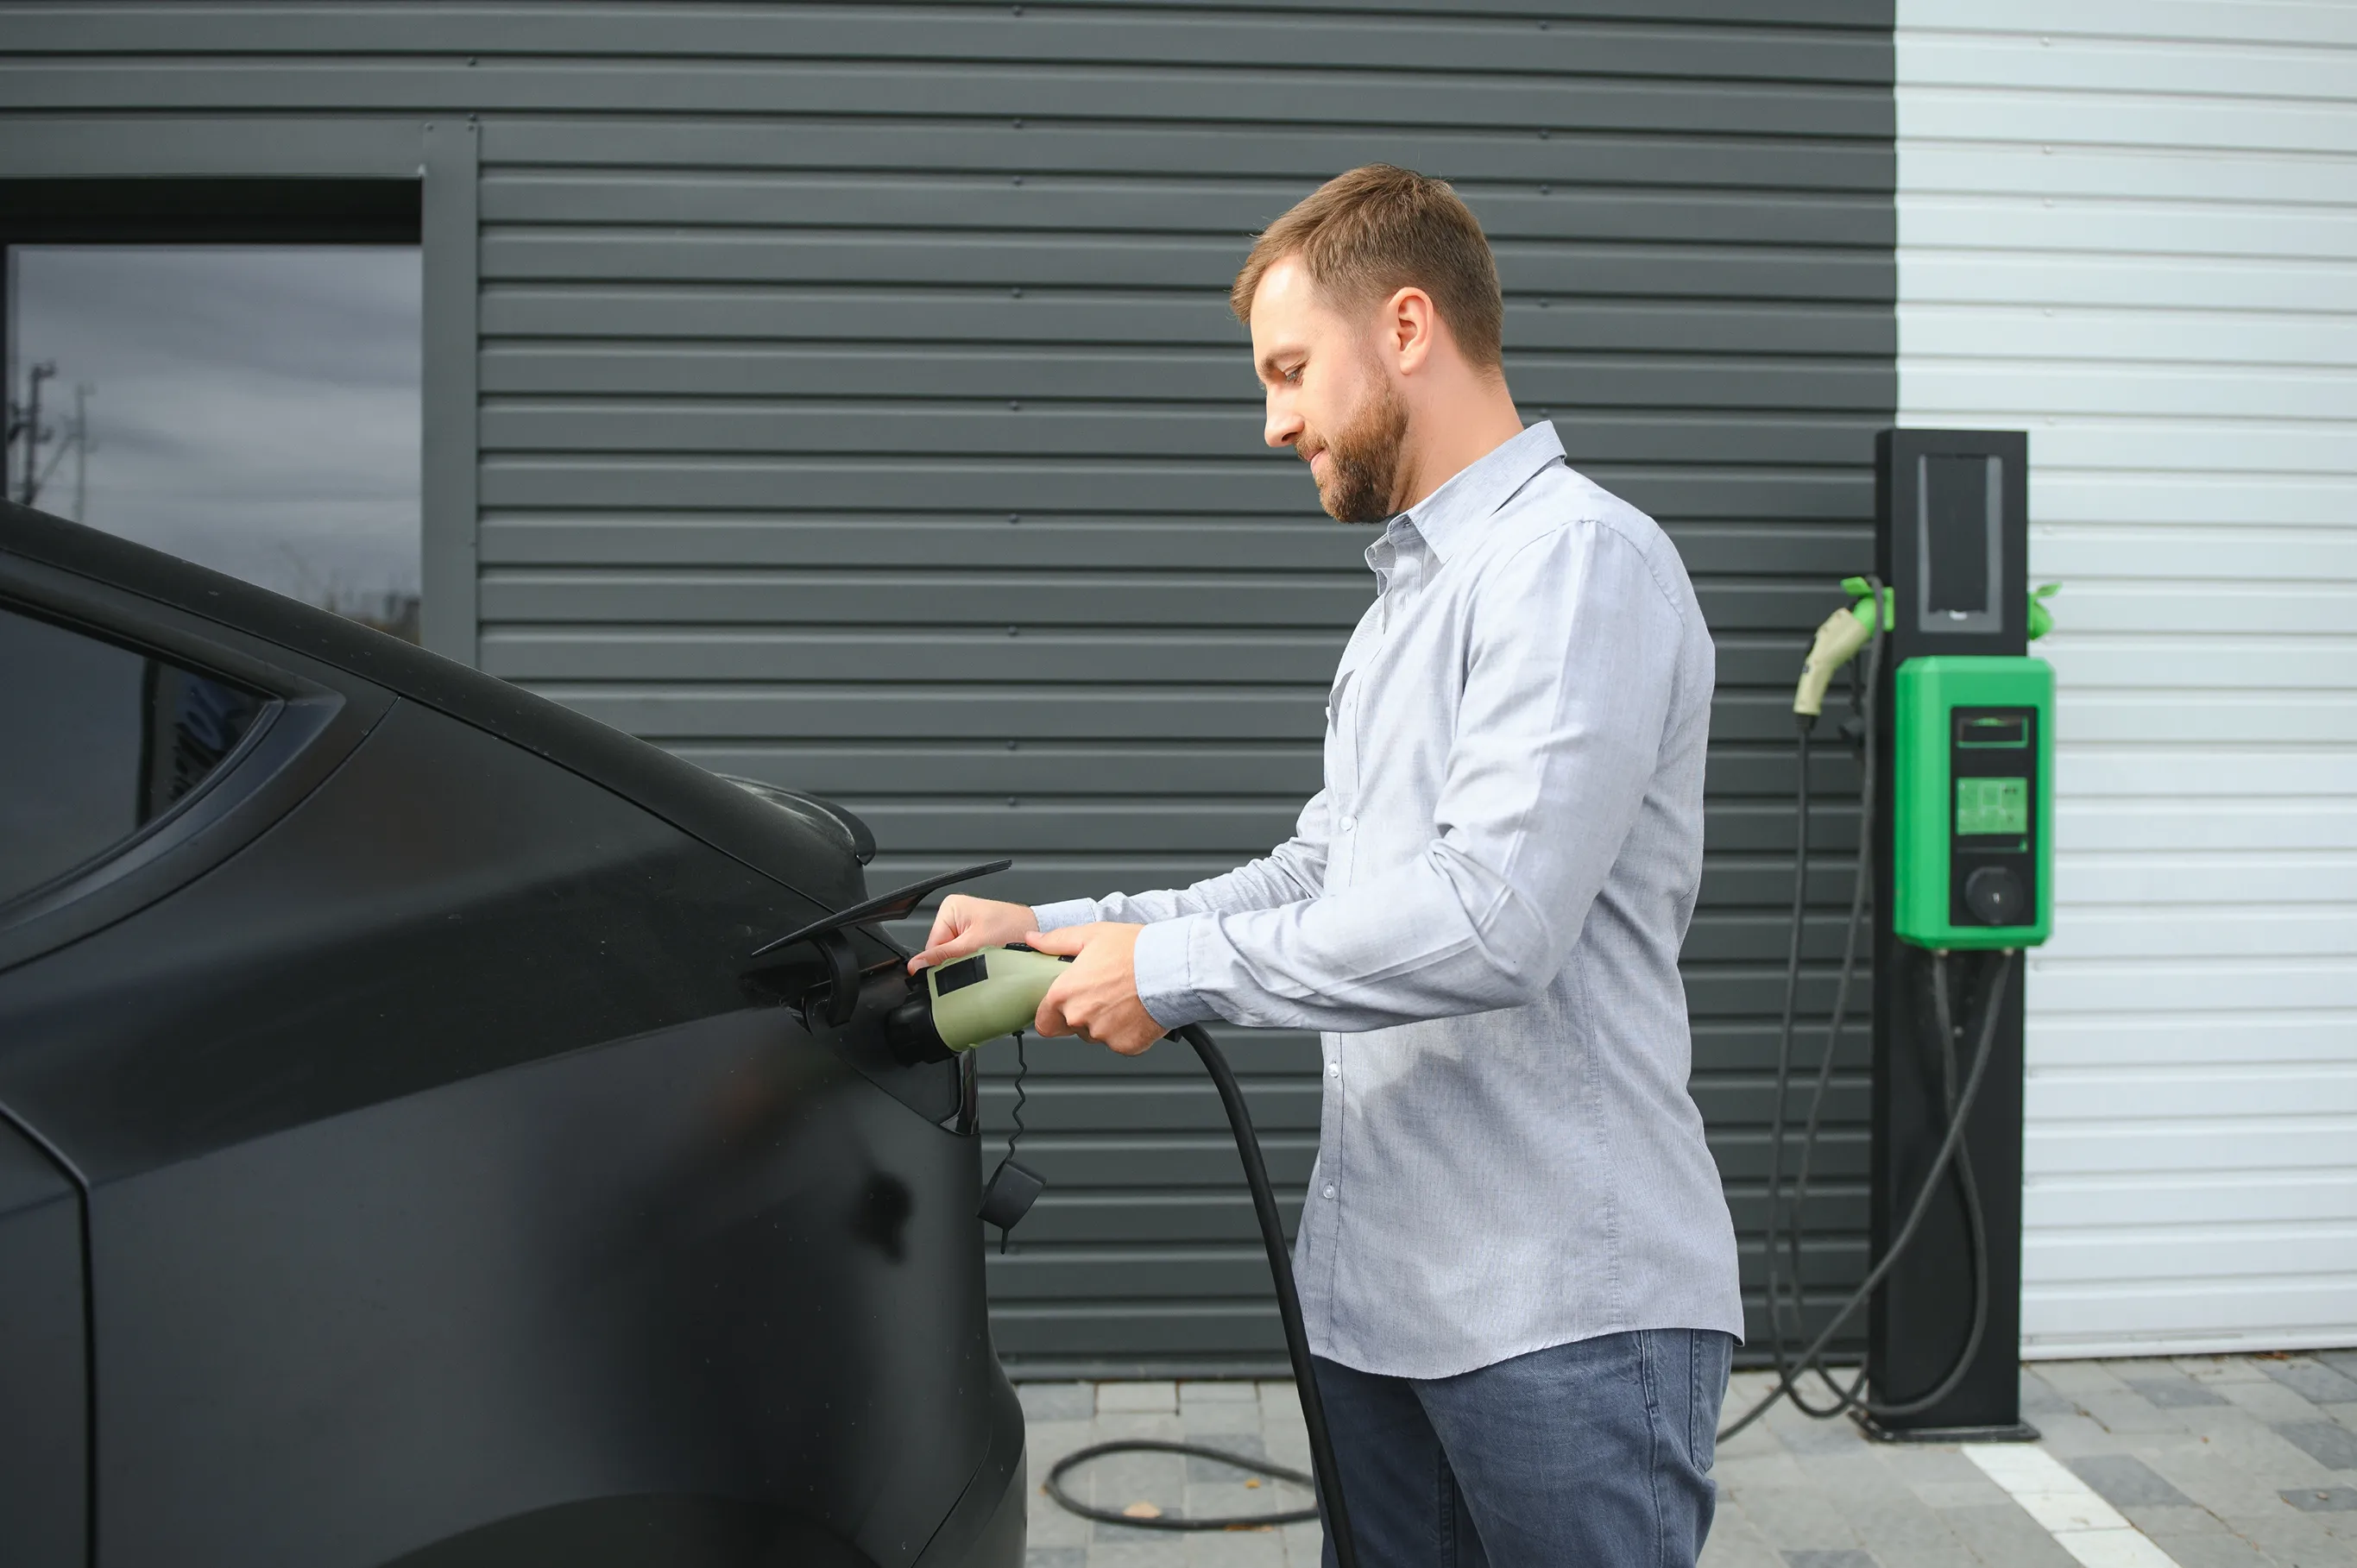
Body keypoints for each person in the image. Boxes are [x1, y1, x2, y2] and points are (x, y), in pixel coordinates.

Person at [912, 165, 1742, 1568]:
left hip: (1562, 1317)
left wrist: (1168, 976)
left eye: (1291, 370)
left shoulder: (1573, 562)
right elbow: (1320, 877)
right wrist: (1054, 933)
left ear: (1406, 326)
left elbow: (1494, 919)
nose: (1273, 418)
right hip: (1381, 1308)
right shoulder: (1406, 607)